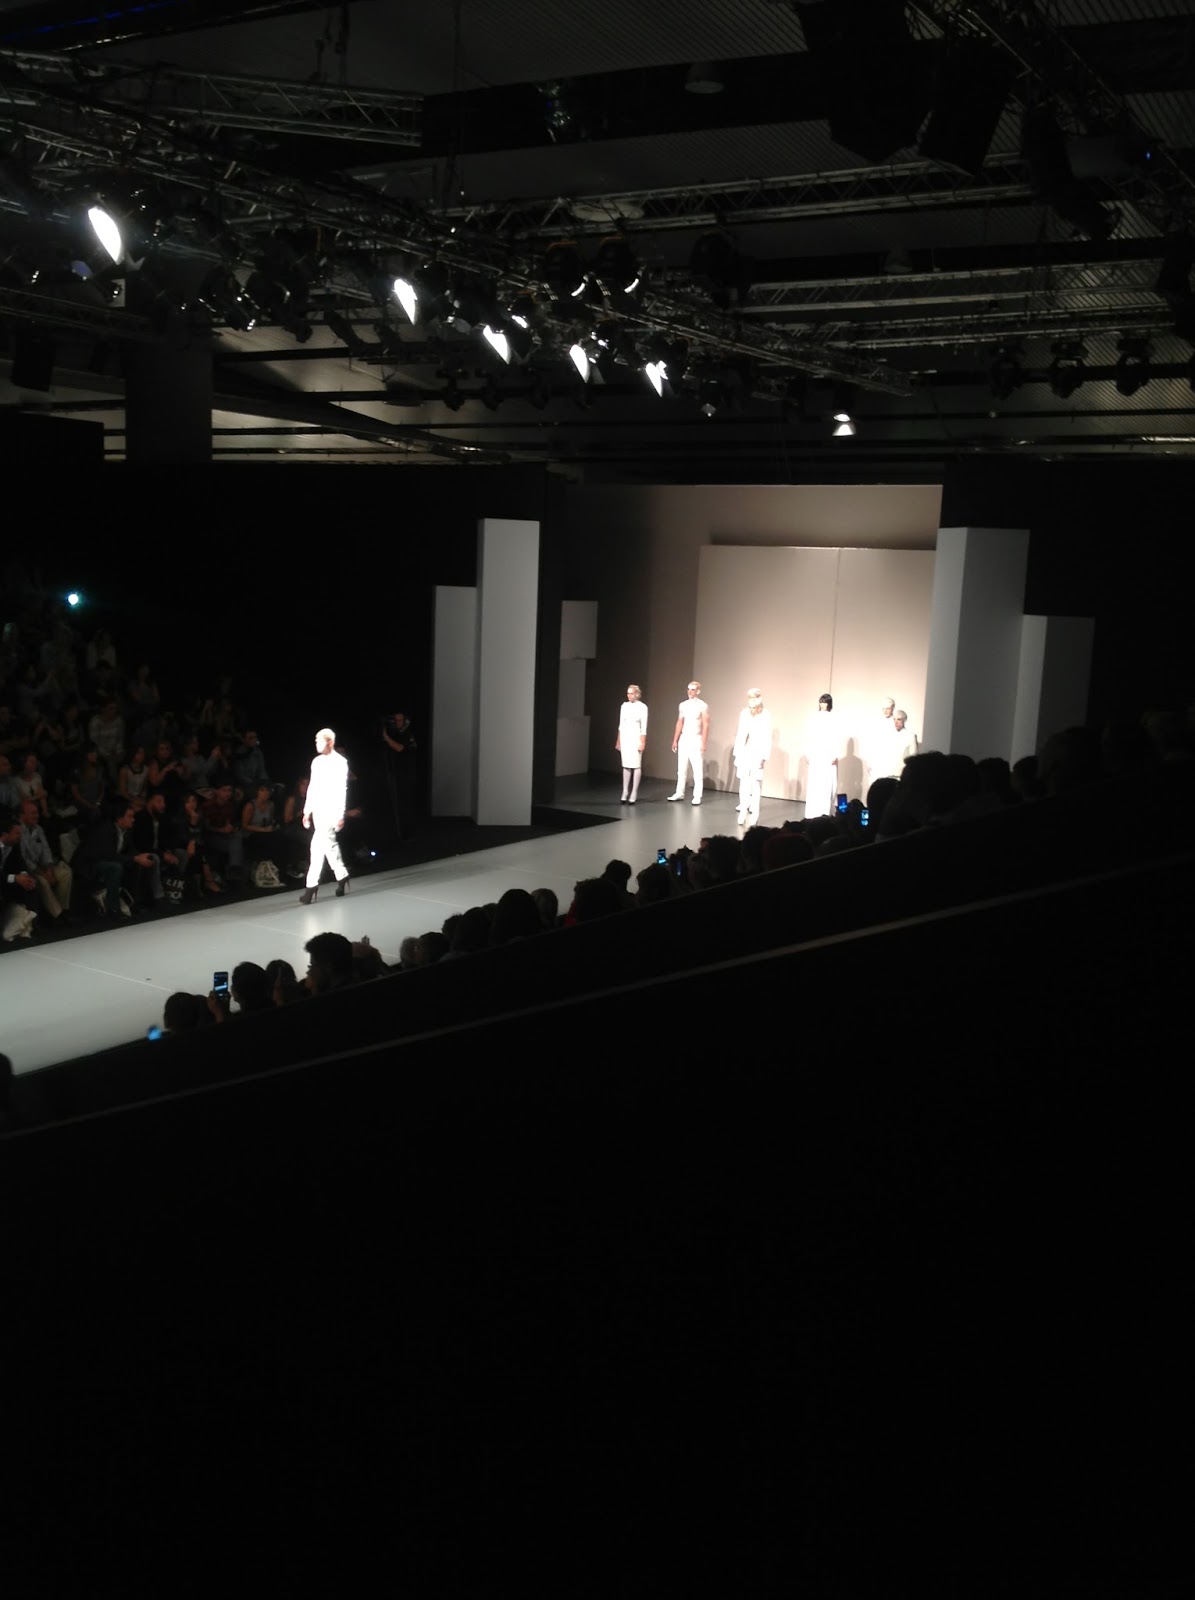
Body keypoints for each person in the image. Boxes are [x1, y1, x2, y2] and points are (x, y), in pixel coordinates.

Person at [300, 727, 349, 904]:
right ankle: (342, 875)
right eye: (316, 740)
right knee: (329, 845)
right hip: (318, 809)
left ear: (330, 742)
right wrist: (307, 811)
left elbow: (341, 789)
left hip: (331, 809)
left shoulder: (340, 762)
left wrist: (340, 814)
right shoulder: (317, 762)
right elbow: (312, 786)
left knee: (317, 846)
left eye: (320, 740)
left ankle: (311, 886)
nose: (317, 743)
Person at [18, 798, 73, 924]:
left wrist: (48, 870)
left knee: (65, 874)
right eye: (33, 813)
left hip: (43, 866)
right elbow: (23, 858)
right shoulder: (18, 831)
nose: (36, 816)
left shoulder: (38, 829)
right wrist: (43, 874)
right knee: (43, 882)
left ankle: (62, 909)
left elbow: (46, 850)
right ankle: (56, 916)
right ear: (22, 815)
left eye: (37, 813)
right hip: (28, 870)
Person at [732, 686, 773, 827]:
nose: (752, 700)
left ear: (759, 698)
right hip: (746, 751)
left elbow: (767, 737)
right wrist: (737, 753)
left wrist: (764, 757)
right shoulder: (744, 713)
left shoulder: (766, 715)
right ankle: (743, 811)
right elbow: (740, 734)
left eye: (754, 698)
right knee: (743, 782)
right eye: (750, 698)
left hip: (758, 752)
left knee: (755, 783)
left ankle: (754, 813)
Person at [668, 680, 709, 806]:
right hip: (684, 739)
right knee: (681, 768)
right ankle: (679, 792)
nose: (690, 692)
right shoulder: (683, 705)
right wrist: (675, 740)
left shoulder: (703, 705)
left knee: (697, 769)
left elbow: (706, 724)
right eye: (689, 689)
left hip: (696, 739)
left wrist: (703, 742)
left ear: (698, 691)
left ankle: (697, 796)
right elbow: (680, 722)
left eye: (693, 689)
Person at [381, 711, 418, 840]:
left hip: (406, 774)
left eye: (400, 720)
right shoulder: (395, 733)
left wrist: (386, 737)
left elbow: (400, 748)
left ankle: (407, 833)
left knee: (406, 804)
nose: (397, 723)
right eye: (395, 720)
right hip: (395, 773)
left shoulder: (407, 733)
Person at [804, 692, 838, 820]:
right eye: (821, 702)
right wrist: (808, 753)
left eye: (825, 702)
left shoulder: (833, 718)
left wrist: (835, 754)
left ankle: (825, 813)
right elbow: (809, 736)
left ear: (829, 704)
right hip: (816, 755)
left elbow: (836, 737)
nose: (823, 704)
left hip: (828, 755)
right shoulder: (814, 717)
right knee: (815, 784)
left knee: (828, 785)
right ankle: (812, 813)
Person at [616, 684, 648, 804]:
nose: (629, 695)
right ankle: (625, 791)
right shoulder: (624, 706)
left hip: (636, 736)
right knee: (626, 765)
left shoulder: (643, 707)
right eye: (628, 693)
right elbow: (621, 724)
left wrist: (643, 742)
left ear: (637, 694)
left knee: (636, 765)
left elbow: (644, 726)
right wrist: (618, 740)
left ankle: (634, 792)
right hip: (625, 736)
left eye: (631, 693)